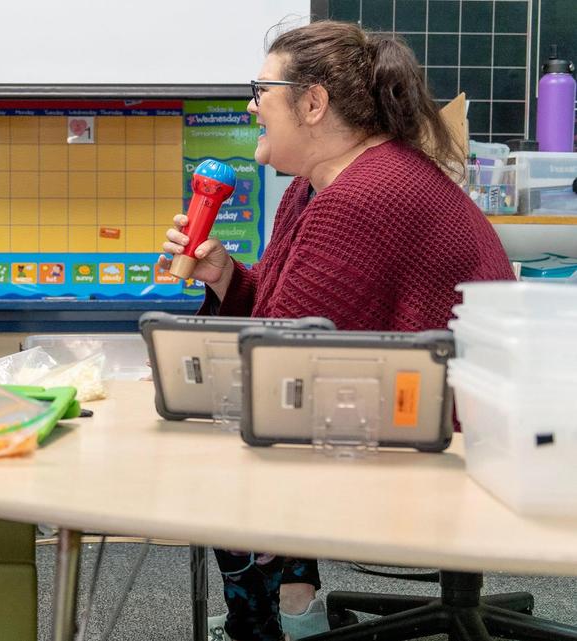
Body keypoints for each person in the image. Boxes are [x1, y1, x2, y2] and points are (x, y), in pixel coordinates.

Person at [160, 20, 513, 641]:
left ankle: (268, 623)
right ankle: (289, 610)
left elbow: (279, 361)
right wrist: (226, 277)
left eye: (261, 90)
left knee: (239, 433)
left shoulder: (366, 195)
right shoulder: (316, 185)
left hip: (457, 442)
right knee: (257, 414)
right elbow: (287, 318)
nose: (252, 106)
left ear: (313, 103)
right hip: (425, 411)